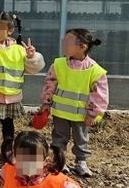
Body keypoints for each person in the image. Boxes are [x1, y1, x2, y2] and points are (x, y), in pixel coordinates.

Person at [0, 11, 45, 163]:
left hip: (11, 95)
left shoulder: (18, 48)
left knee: (8, 123)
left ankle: (8, 149)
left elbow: (32, 69)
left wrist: (32, 57)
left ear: (10, 30)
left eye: (0, 29)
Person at [39, 28, 108, 177]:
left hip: (82, 115)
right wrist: (46, 103)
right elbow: (50, 84)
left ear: (82, 46)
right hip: (60, 112)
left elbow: (99, 94)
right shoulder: (58, 65)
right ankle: (59, 161)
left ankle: (81, 162)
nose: (64, 45)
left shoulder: (95, 71)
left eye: (68, 42)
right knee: (59, 137)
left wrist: (93, 113)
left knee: (81, 139)